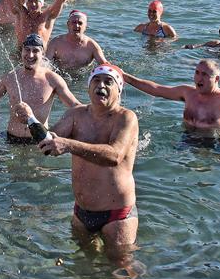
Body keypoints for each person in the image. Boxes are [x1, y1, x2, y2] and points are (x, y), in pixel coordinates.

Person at [12, 63, 139, 252]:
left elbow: (114, 156)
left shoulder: (126, 118)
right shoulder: (76, 115)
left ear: (118, 90)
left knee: (121, 273)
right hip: (81, 213)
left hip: (116, 214)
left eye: (108, 82)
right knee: (83, 268)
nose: (101, 86)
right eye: (96, 80)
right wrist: (30, 119)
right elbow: (48, 144)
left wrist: (69, 145)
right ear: (88, 87)